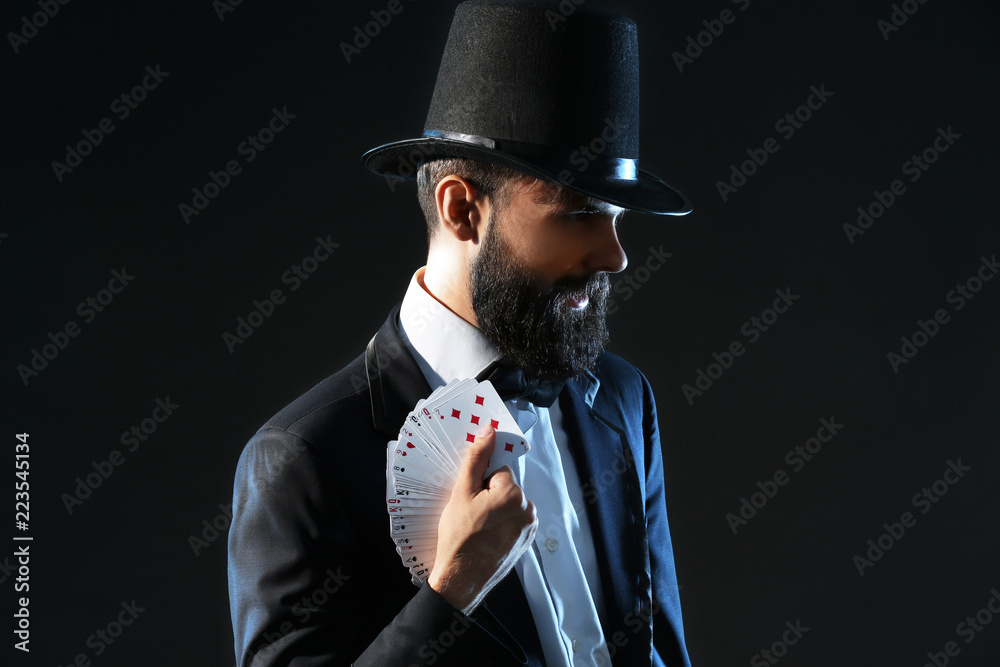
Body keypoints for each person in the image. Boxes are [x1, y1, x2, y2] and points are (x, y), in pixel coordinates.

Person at [228, 1, 694, 665]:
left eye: (616, 217)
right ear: (461, 207)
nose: (615, 255)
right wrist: (450, 591)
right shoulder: (301, 461)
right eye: (580, 214)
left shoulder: (623, 398)